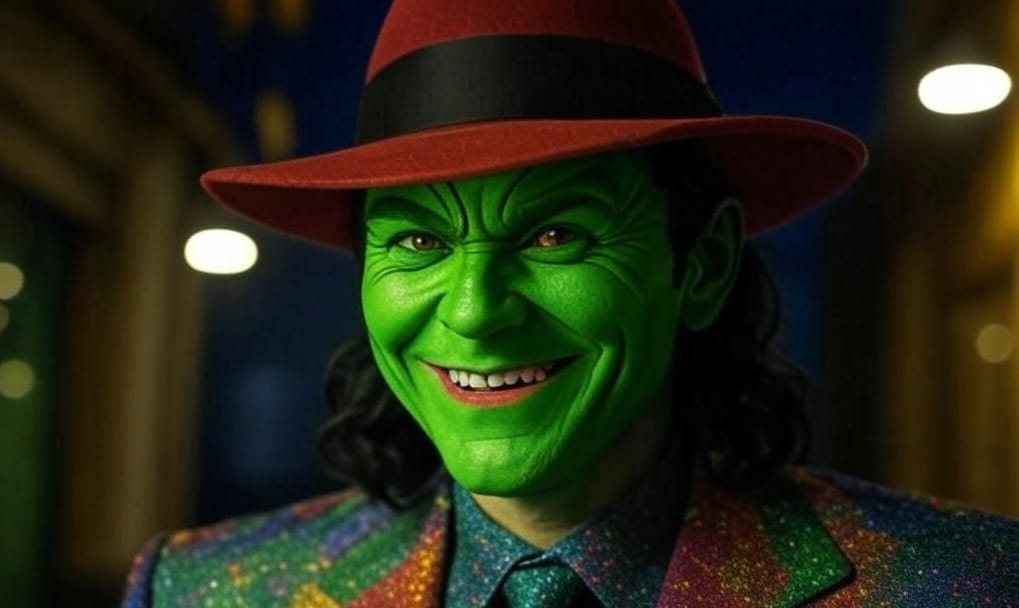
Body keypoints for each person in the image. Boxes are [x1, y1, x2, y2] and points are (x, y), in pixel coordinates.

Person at [123, 0, 1019, 606]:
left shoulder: (966, 585)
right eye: (418, 242)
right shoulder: (205, 591)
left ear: (702, 262)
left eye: (555, 234)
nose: (474, 311)